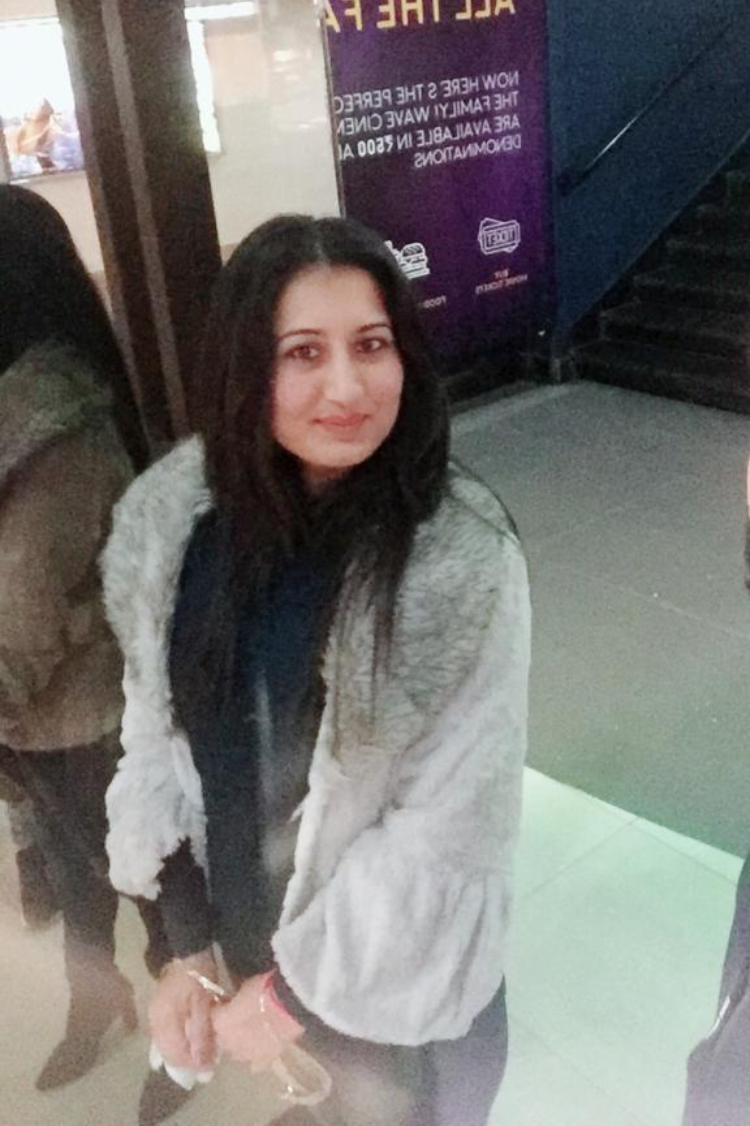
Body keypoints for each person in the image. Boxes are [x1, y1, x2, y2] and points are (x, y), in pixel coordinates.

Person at [103, 214, 531, 1125]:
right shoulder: (178, 526)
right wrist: (186, 946)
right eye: (303, 352)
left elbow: (447, 833)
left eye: (371, 345)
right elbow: (156, 740)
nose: (346, 386)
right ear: (244, 367)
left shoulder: (456, 560)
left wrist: (289, 997)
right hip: (254, 954)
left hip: (395, 994)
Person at [0, 184, 169, 1091]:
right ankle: (95, 1003)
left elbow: (23, 607)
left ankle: (181, 1035)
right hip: (40, 721)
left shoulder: (52, 428)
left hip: (86, 716)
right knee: (78, 879)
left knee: (152, 880)